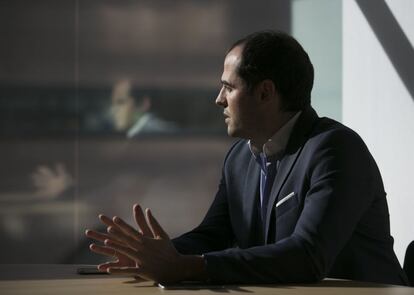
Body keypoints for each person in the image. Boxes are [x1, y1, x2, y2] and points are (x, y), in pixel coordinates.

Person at [85, 30, 408, 285]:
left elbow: (308, 256)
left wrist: (187, 267)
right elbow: (214, 234)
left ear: (265, 93)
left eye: (229, 87)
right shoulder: (240, 157)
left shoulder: (335, 148)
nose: (218, 100)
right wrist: (155, 255)